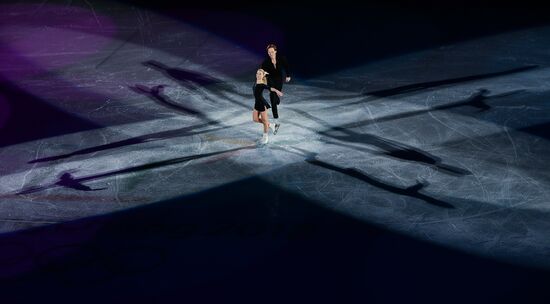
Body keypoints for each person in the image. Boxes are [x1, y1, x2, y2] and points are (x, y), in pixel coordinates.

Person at [260, 43, 291, 135]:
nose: (270, 54)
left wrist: (288, 75)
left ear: (275, 51)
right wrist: (262, 79)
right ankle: (275, 117)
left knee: (276, 98)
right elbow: (262, 71)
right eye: (269, 52)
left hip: (279, 79)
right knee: (272, 95)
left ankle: (277, 100)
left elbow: (286, 67)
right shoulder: (266, 62)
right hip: (270, 80)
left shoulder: (281, 59)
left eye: (272, 52)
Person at [253, 69, 283, 144]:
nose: (258, 75)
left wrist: (277, 91)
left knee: (264, 121)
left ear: (262, 76)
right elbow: (262, 75)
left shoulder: (262, 85)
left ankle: (265, 137)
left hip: (262, 104)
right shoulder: (256, 82)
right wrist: (264, 73)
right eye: (257, 73)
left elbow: (270, 88)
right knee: (255, 119)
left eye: (260, 74)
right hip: (256, 103)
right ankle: (272, 125)